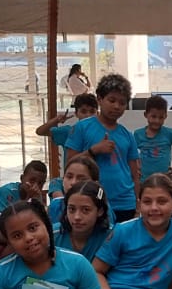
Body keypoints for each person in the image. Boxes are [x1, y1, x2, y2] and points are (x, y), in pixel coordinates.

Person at [65, 74, 141, 222]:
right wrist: (94, 150)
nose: (116, 106)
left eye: (122, 102)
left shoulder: (127, 135)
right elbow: (70, 164)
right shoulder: (82, 128)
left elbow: (135, 175)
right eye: (111, 100)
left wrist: (138, 207)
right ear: (99, 99)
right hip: (91, 202)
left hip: (125, 204)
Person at [36, 93, 98, 166]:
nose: (88, 115)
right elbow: (40, 131)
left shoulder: (102, 133)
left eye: (92, 111)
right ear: (76, 113)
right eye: (83, 111)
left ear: (98, 113)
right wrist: (56, 120)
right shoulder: (68, 132)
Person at [135, 95, 172, 183]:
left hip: (164, 180)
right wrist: (135, 169)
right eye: (153, 116)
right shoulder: (138, 134)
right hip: (144, 180)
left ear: (166, 116)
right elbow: (132, 154)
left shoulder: (170, 133)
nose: (157, 121)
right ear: (146, 115)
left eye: (161, 117)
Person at [47, 155, 101, 225]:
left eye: (81, 179)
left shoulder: (100, 207)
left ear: (95, 184)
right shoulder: (55, 206)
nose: (73, 183)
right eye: (69, 177)